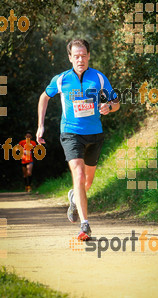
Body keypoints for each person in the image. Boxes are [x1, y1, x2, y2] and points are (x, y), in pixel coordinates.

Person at [36, 39, 120, 240]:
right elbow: (44, 97)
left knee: (87, 182)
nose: (80, 59)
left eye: (83, 55)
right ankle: (85, 225)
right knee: (79, 175)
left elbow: (115, 101)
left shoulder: (99, 78)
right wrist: (41, 126)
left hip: (94, 134)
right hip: (70, 133)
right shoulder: (61, 79)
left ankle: (74, 198)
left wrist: (109, 107)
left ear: (89, 55)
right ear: (70, 58)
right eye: (76, 56)